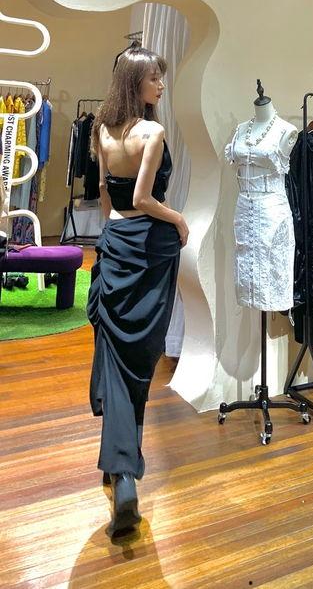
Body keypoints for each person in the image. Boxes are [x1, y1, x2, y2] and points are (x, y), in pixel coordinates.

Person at [87, 45, 189, 535]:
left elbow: (106, 195)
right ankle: (124, 468)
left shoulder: (101, 131)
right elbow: (146, 198)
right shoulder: (152, 132)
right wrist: (180, 219)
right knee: (142, 356)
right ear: (135, 83)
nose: (161, 85)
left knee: (116, 353)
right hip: (151, 249)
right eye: (154, 78)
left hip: (117, 244)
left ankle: (121, 465)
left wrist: (111, 236)